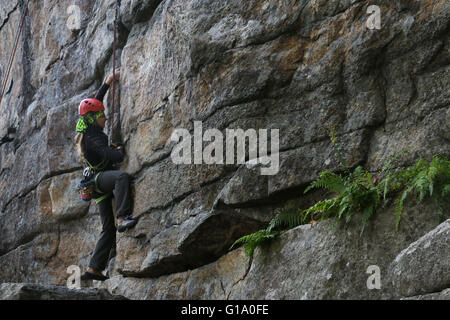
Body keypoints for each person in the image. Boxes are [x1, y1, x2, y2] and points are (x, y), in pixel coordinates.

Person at [74, 68, 137, 281]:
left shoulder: (85, 124)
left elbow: (95, 102)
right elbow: (115, 158)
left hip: (93, 183)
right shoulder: (94, 140)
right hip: (99, 179)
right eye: (103, 116)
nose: (106, 119)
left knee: (106, 229)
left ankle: (93, 269)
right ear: (94, 119)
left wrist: (108, 82)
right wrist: (119, 150)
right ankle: (122, 217)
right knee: (122, 177)